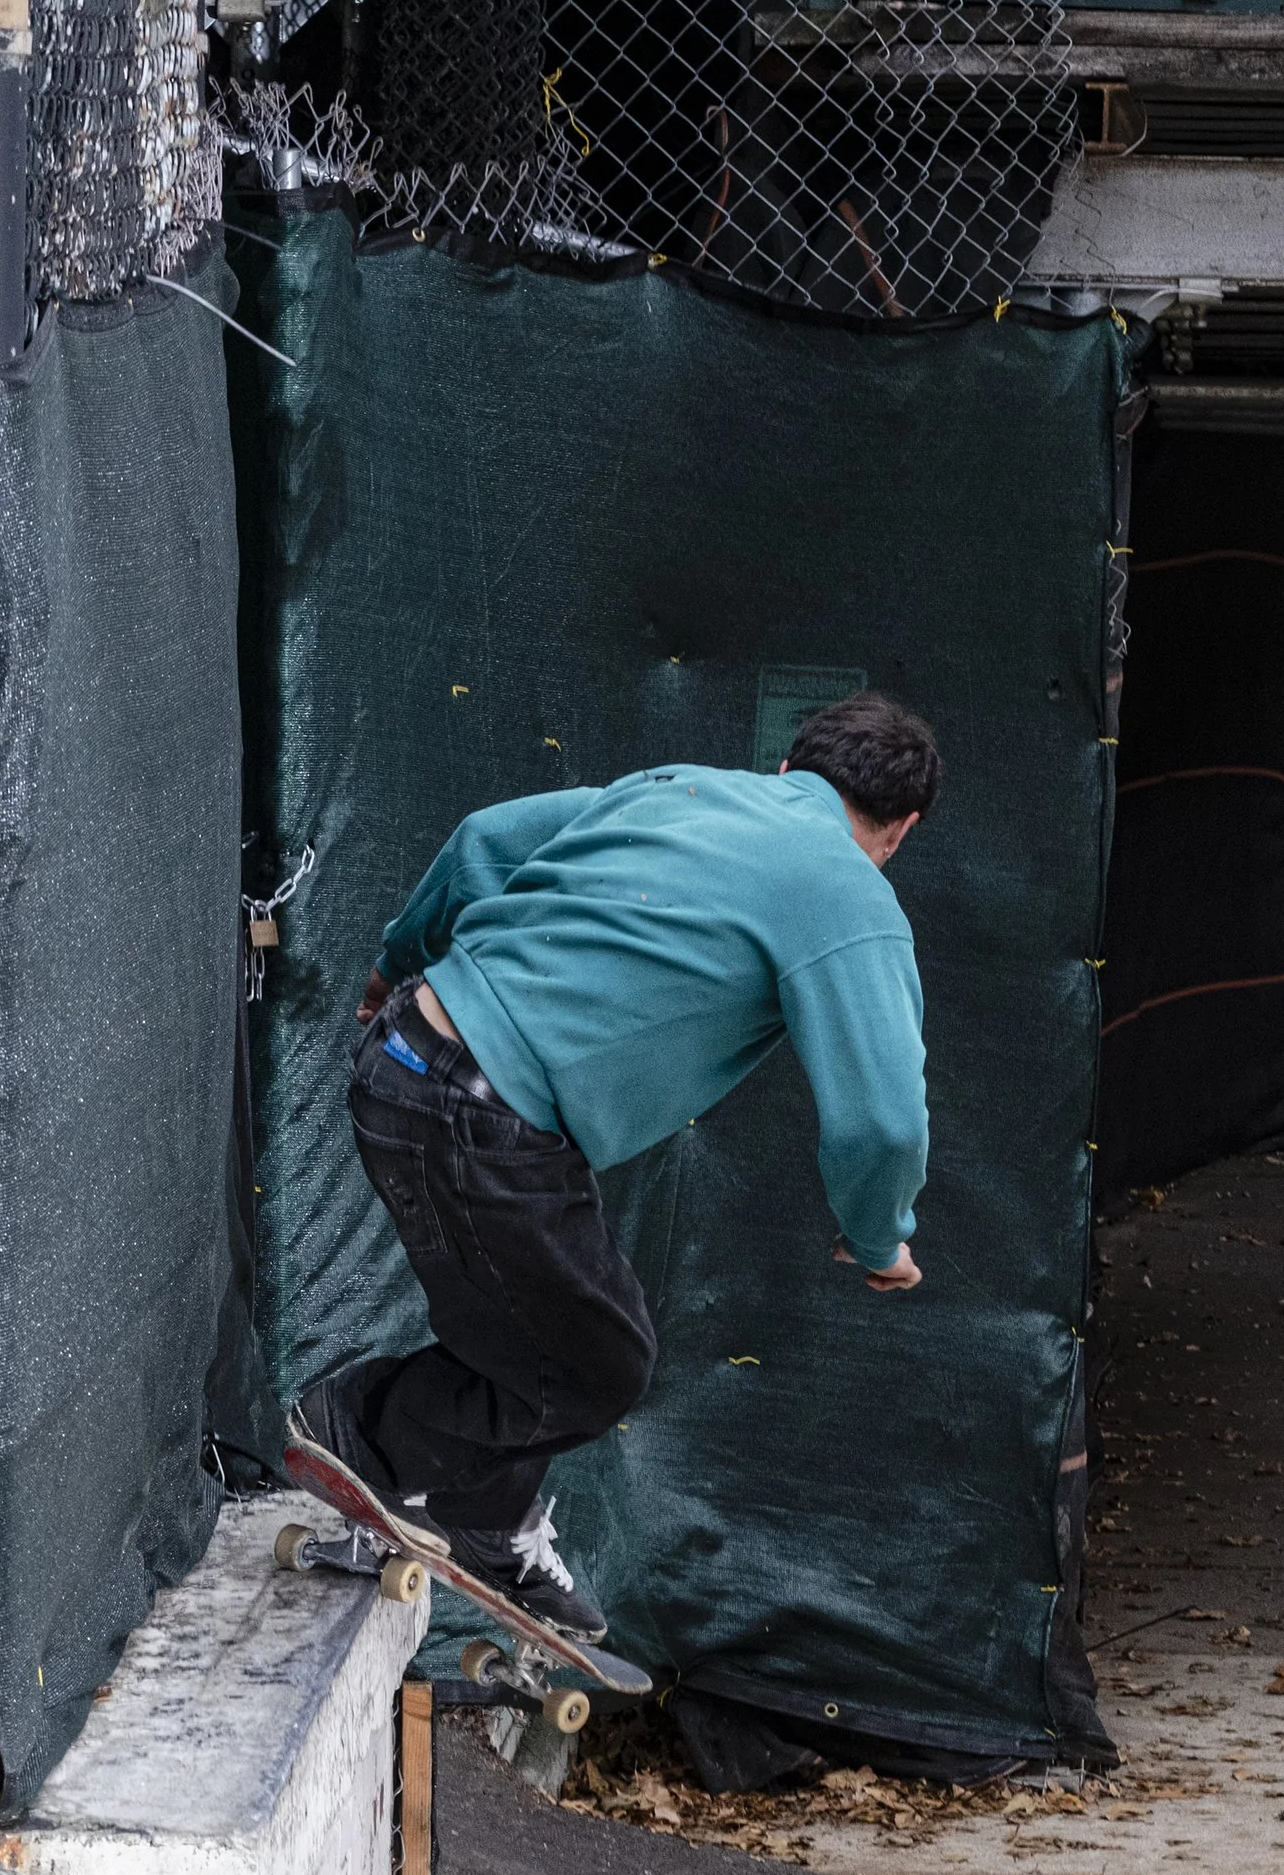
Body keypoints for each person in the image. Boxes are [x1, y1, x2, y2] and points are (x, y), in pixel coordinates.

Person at [290, 687, 937, 1642]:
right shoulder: (849, 889)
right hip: (481, 1112)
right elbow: (882, 1120)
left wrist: (396, 960)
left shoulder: (681, 788)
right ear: (900, 830)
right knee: (597, 1362)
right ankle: (358, 1434)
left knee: (545, 1324)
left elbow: (482, 841)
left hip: (401, 1065)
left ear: (791, 768)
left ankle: (489, 1517)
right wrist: (879, 1237)